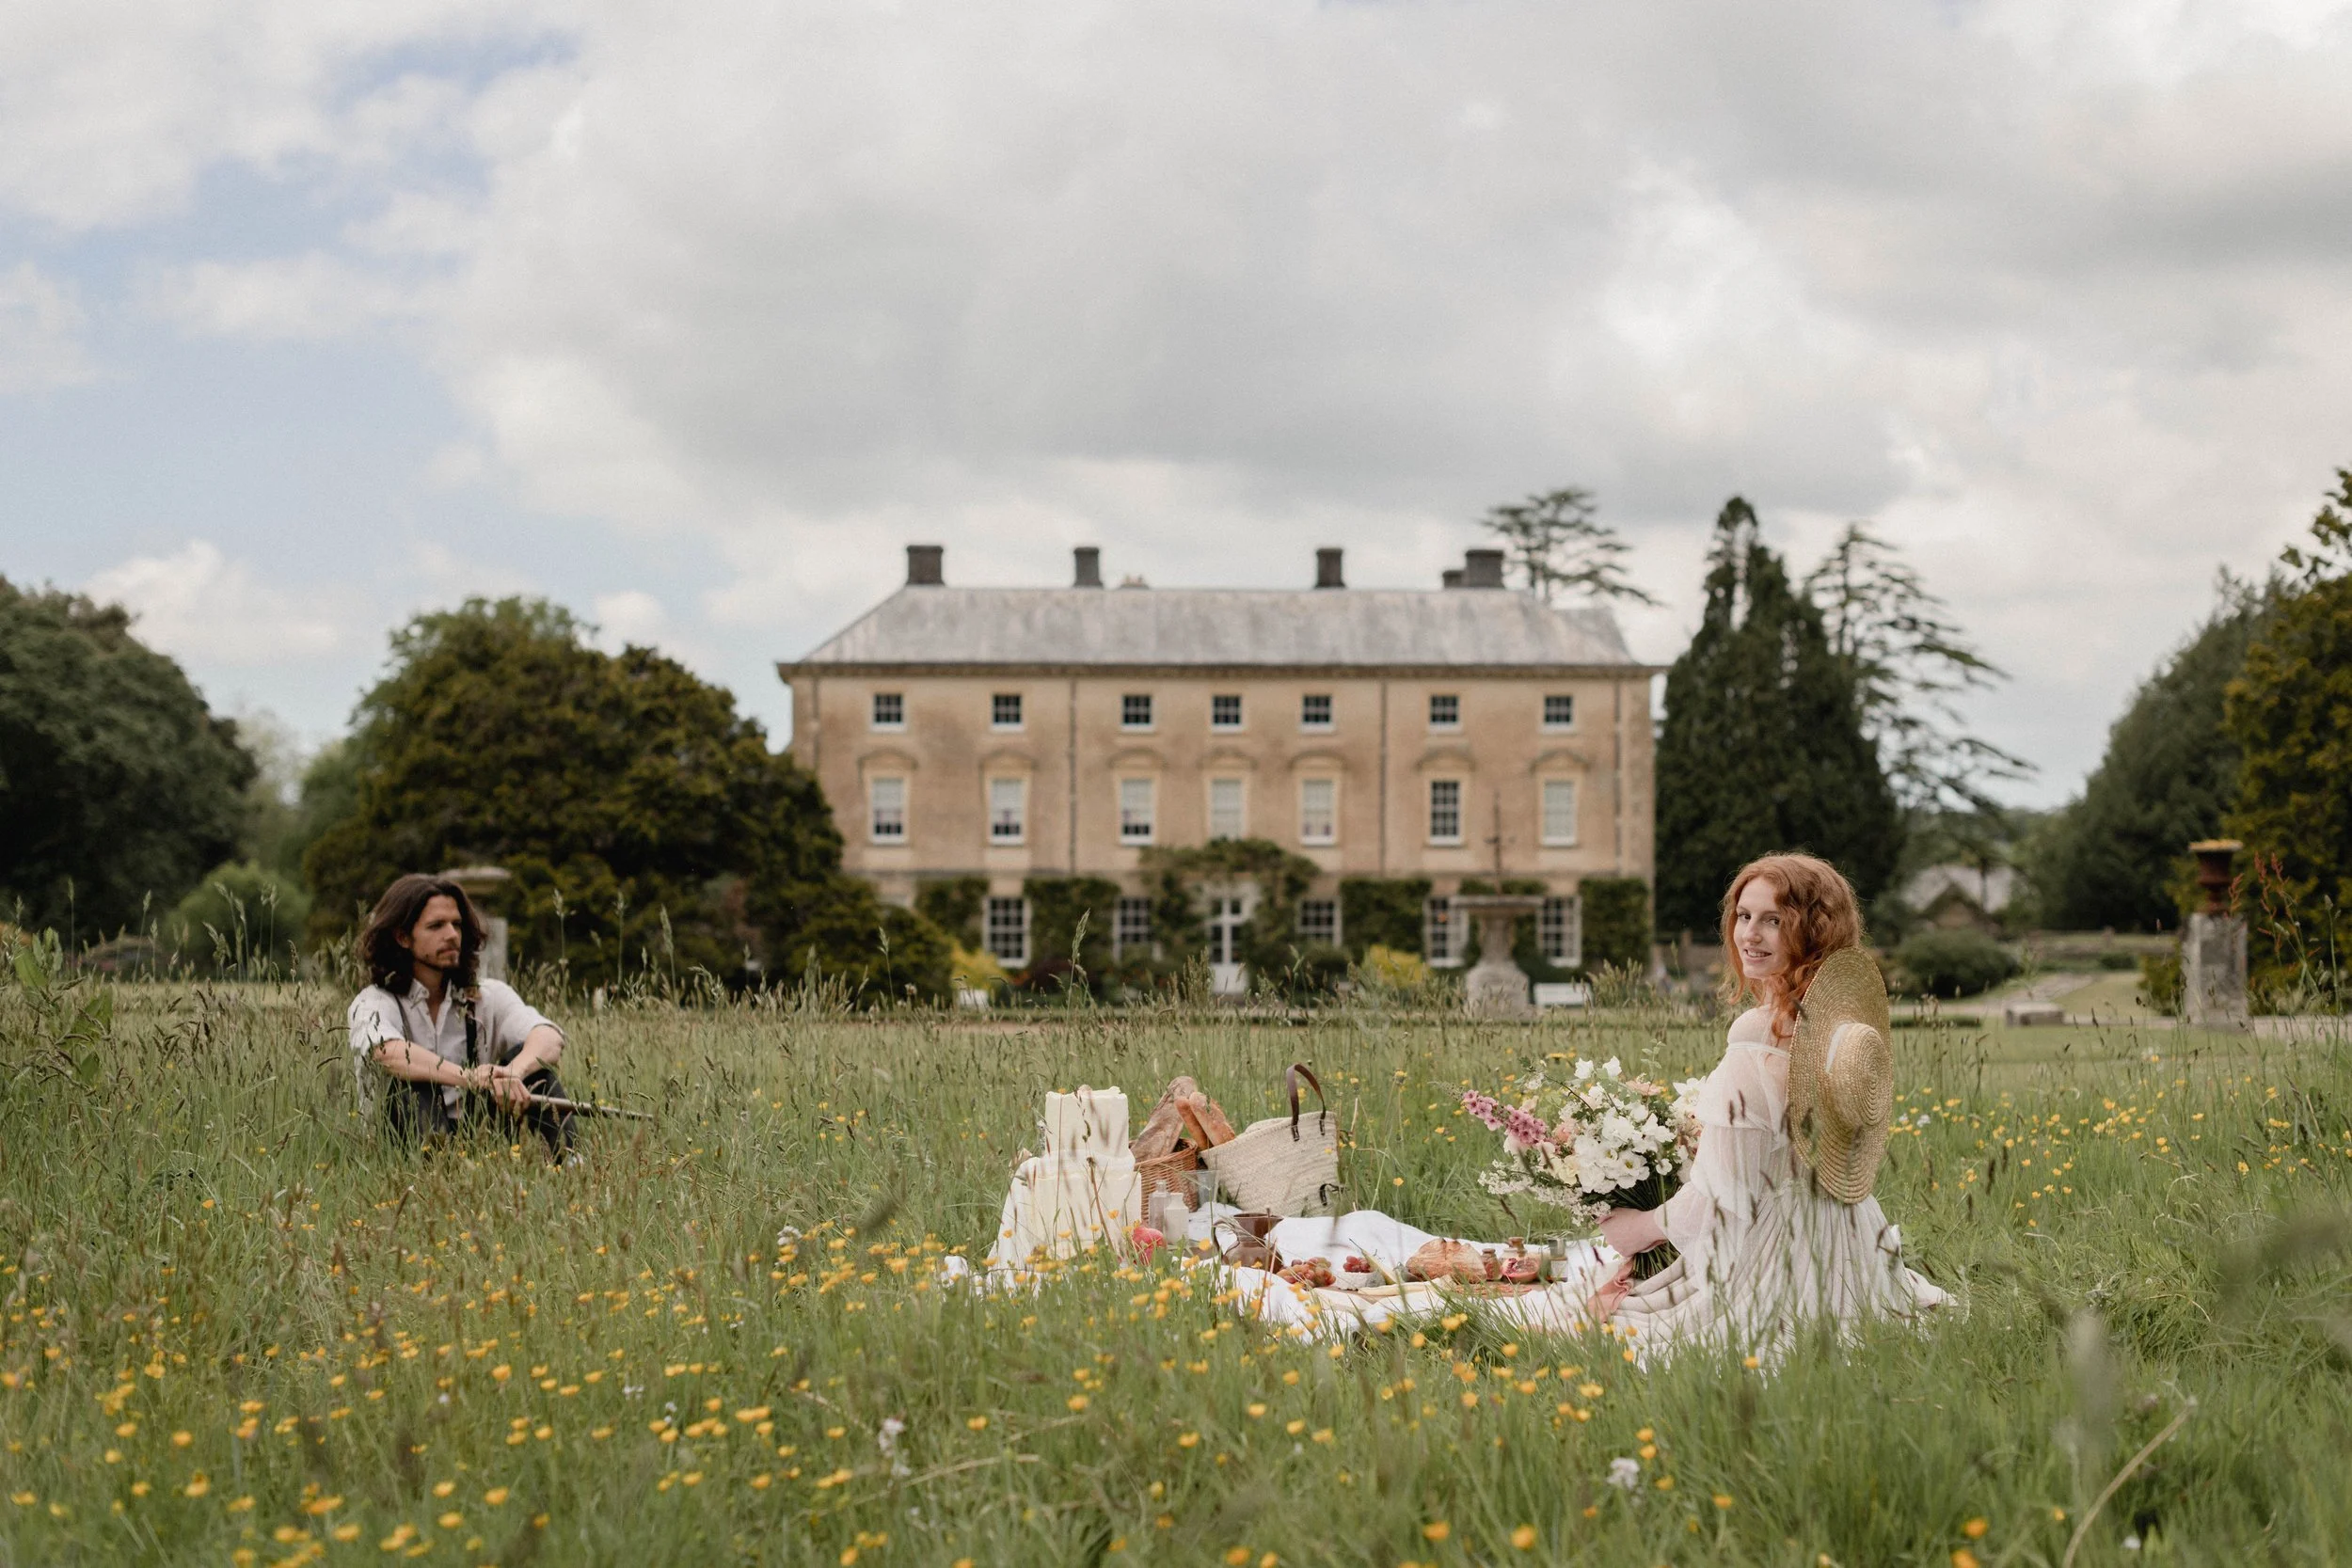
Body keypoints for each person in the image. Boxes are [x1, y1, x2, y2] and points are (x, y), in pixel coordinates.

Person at [1583, 852, 1944, 1354]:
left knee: (1607, 1318)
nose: (1749, 934)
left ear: (1813, 932)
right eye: (1744, 916)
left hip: (1778, 1254)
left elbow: (1723, 1198)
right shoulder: (1839, 1029)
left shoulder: (1759, 1035)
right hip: (1852, 1241)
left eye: (1774, 921)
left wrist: (1639, 1230)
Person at [346, 874, 575, 1158]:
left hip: (482, 1142)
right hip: (400, 1147)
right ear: (403, 937)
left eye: (457, 925)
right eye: (436, 926)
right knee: (417, 1086)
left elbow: (549, 1037)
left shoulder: (487, 995)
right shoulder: (374, 1002)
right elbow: (388, 1053)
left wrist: (512, 1075)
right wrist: (469, 1077)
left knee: (537, 1074)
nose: (452, 935)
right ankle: (431, 1180)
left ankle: (570, 1167)